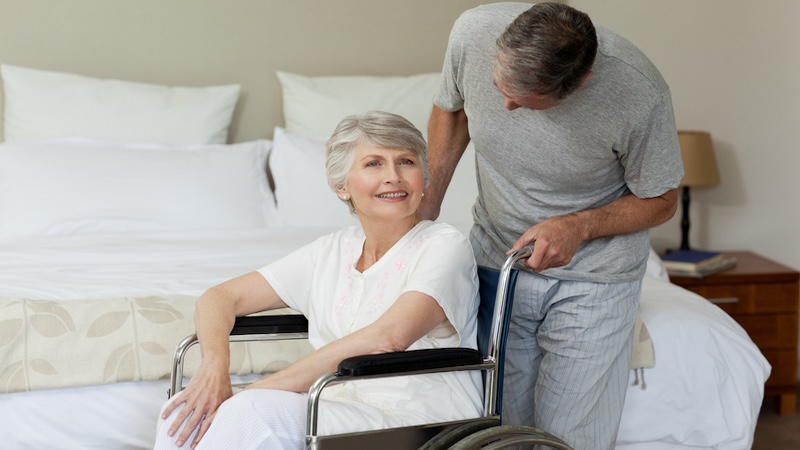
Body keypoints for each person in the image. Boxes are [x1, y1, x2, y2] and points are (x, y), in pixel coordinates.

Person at [417, 3, 683, 449]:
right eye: (500, 86)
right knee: (499, 432)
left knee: (571, 439)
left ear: (580, 83)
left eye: (522, 101)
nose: (504, 105)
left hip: (595, 278)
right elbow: (454, 111)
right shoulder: (472, 32)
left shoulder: (639, 93)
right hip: (499, 262)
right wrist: (427, 208)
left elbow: (662, 200)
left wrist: (578, 226)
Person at [153, 111, 482, 449]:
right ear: (341, 187)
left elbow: (388, 337)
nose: (393, 177)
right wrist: (215, 368)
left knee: (249, 410)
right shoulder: (333, 251)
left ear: (424, 178)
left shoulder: (443, 245)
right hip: (338, 408)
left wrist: (248, 391)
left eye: (406, 162)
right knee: (180, 413)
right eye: (374, 164)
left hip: (421, 417)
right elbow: (220, 298)